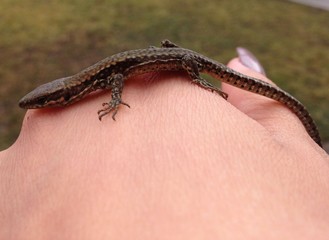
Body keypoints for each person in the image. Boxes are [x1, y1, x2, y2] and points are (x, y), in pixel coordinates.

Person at [1, 48, 328, 239]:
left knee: (194, 70)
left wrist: (117, 101)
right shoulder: (89, 83)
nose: (38, 105)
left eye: (42, 100)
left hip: (188, 61)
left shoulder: (100, 79)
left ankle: (197, 78)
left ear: (60, 95)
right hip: (176, 55)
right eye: (41, 100)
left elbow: (117, 79)